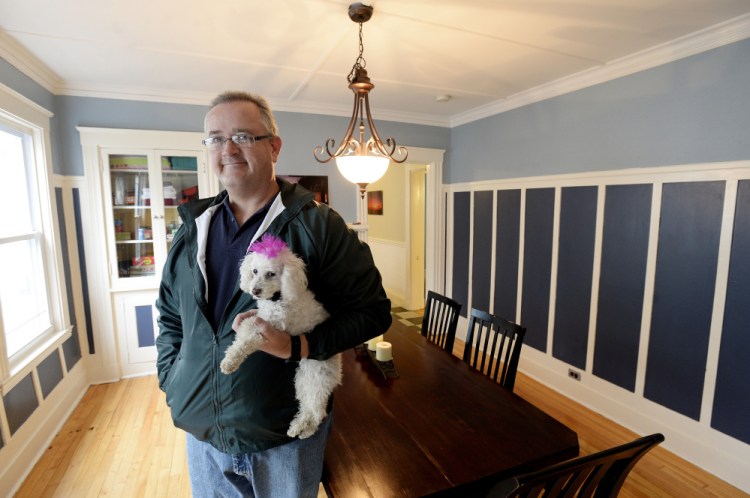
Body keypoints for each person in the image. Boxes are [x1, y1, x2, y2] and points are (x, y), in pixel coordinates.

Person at [155, 90, 392, 498]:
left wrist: (299, 346)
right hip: (203, 433)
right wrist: (171, 379)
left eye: (243, 136)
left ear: (274, 146)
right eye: (215, 138)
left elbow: (373, 313)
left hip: (283, 439)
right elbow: (171, 316)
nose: (227, 148)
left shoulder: (318, 226)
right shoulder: (193, 227)